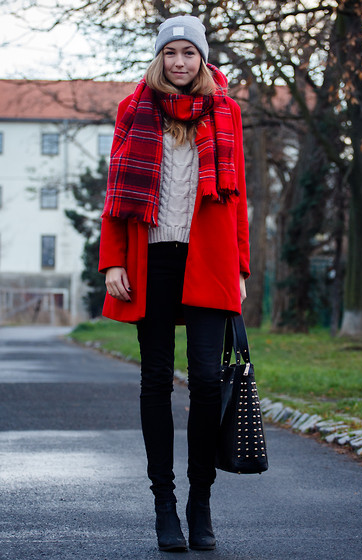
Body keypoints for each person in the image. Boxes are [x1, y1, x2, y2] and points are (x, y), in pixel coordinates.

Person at [99, 15, 250, 552]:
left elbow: (236, 201)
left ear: (203, 59)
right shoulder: (132, 110)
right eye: (171, 53)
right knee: (156, 380)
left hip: (208, 259)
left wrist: (239, 267)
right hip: (151, 257)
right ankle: (164, 503)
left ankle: (199, 499)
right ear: (159, 59)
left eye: (190, 53)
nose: (180, 62)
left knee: (208, 381)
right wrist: (113, 262)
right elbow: (116, 192)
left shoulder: (225, 113)